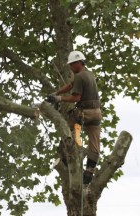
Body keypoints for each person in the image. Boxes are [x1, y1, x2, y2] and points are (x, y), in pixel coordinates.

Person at [48, 50, 102, 184]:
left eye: (72, 65)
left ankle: (66, 153)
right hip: (96, 113)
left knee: (68, 122)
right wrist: (56, 92)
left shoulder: (80, 76)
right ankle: (89, 171)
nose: (71, 68)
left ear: (79, 63)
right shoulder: (88, 74)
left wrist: (59, 98)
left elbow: (75, 98)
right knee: (94, 142)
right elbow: (71, 85)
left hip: (85, 113)